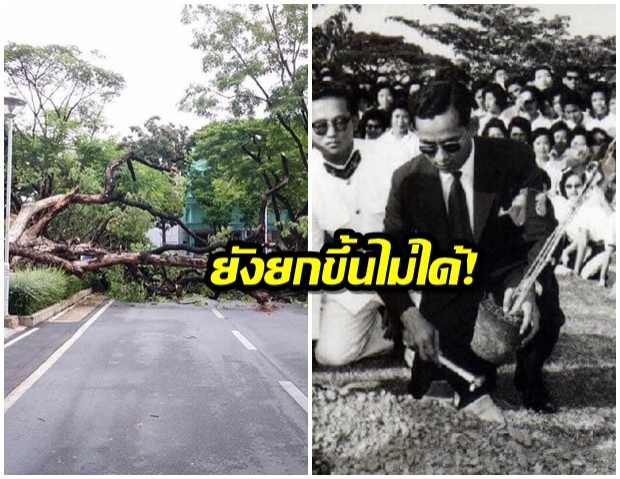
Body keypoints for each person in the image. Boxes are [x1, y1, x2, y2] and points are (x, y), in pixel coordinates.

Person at [381, 81, 564, 422]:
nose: (439, 159)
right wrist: (408, 315)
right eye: (427, 148)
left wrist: (527, 287)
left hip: (507, 271)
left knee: (545, 309)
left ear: (473, 127)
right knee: (440, 385)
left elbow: (541, 233)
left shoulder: (513, 158)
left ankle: (531, 376)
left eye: (450, 146)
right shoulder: (405, 181)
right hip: (450, 285)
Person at [311, 83, 399, 366]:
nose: (332, 133)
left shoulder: (388, 158)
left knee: (429, 344)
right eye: (320, 127)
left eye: (340, 122)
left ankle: (409, 332)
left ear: (355, 120)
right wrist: (311, 335)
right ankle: (384, 337)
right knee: (329, 354)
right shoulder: (311, 179)